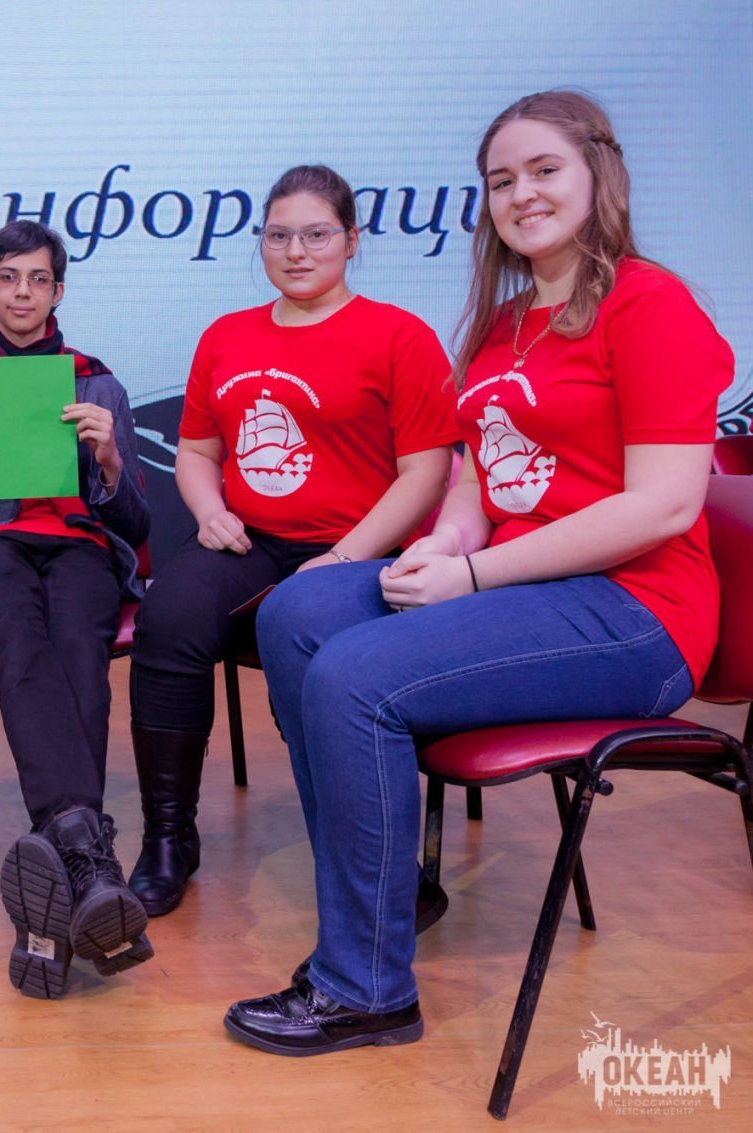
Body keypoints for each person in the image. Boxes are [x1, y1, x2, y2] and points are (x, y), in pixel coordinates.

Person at [224, 91, 734, 1056]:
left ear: (599, 173)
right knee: (296, 611)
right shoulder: (503, 322)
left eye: (544, 170)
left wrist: (475, 573)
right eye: (502, 180)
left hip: (638, 610)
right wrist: (448, 543)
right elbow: (475, 474)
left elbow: (664, 505)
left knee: (355, 676)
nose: (521, 194)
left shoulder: (648, 303)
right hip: (523, 583)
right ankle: (386, 889)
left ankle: (365, 986)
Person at [126, 165, 457, 917]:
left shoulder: (399, 335)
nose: (296, 251)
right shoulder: (227, 335)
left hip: (359, 550)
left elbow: (427, 471)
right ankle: (169, 838)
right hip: (251, 542)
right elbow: (197, 451)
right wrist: (208, 510)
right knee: (168, 619)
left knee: (313, 645)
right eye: (279, 236)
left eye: (316, 234)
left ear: (352, 240)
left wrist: (344, 556)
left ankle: (376, 865)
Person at [0, 221, 150, 998]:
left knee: (79, 653)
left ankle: (62, 881)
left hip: (80, 545)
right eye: (8, 278)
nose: (22, 293)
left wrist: (108, 461)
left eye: (38, 279)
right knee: (21, 649)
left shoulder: (99, 386)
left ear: (58, 291)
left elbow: (139, 523)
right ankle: (93, 865)